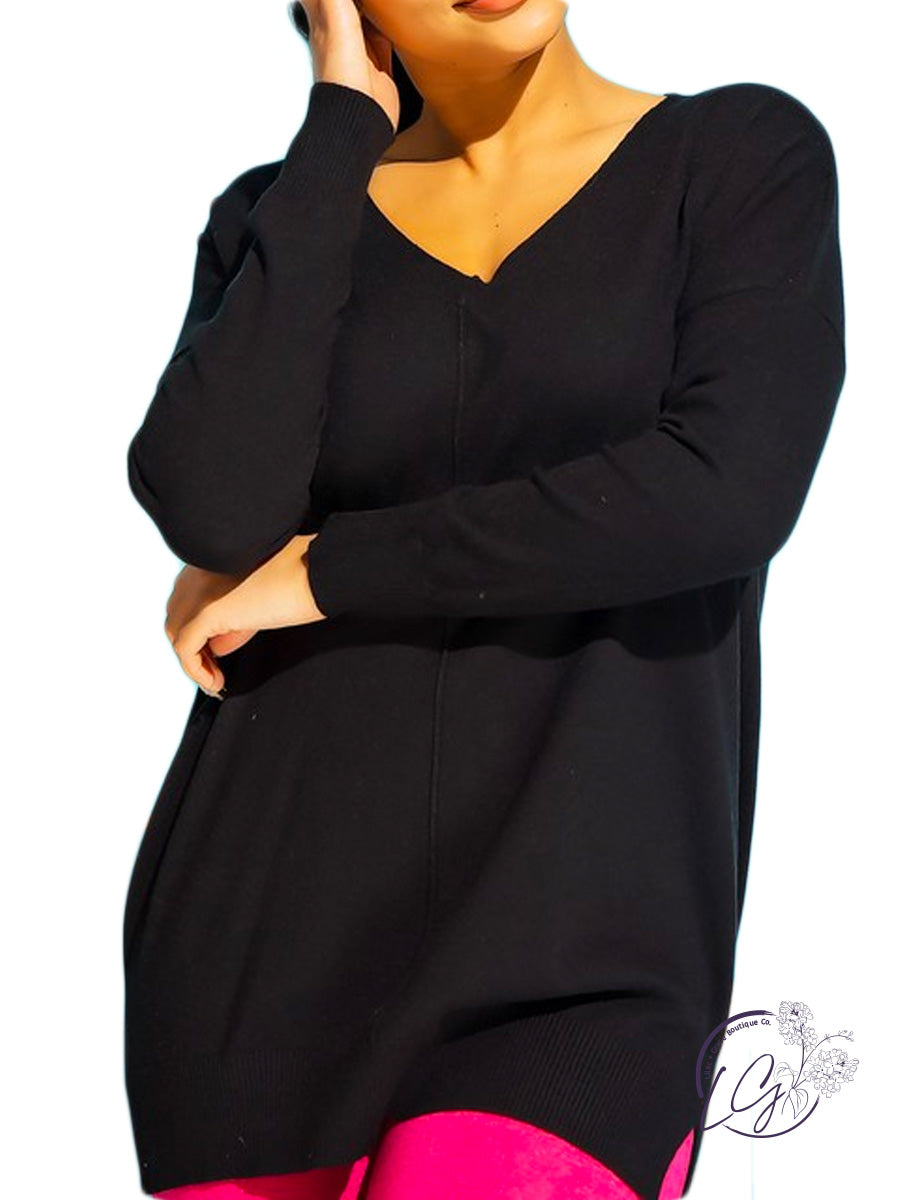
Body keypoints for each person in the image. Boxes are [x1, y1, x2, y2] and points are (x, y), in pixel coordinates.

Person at [122, 1, 846, 1197]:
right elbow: (210, 505)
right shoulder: (280, 216)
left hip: (584, 949)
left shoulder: (734, 159)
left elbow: (724, 490)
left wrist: (327, 568)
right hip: (263, 958)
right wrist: (339, 123)